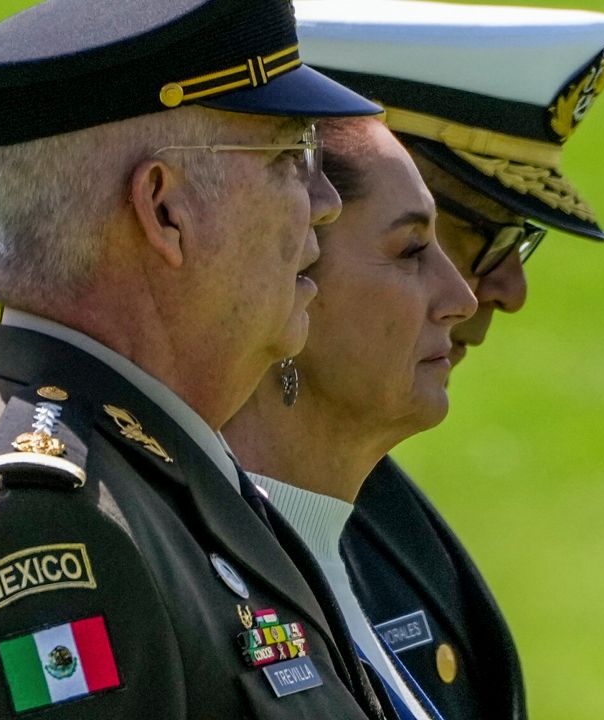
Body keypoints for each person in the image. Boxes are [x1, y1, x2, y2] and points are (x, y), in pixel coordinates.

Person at [0, 0, 396, 718]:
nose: (324, 202)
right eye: (289, 156)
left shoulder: (139, 471)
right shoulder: (50, 537)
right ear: (164, 209)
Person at [293, 2, 604, 718]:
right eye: (423, 240)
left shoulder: (378, 518)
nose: (503, 291)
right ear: (298, 215)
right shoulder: (130, 530)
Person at [222, 116, 477, 720]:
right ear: (288, 283)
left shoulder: (327, 553)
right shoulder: (204, 579)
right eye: (412, 250)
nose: (461, 298)